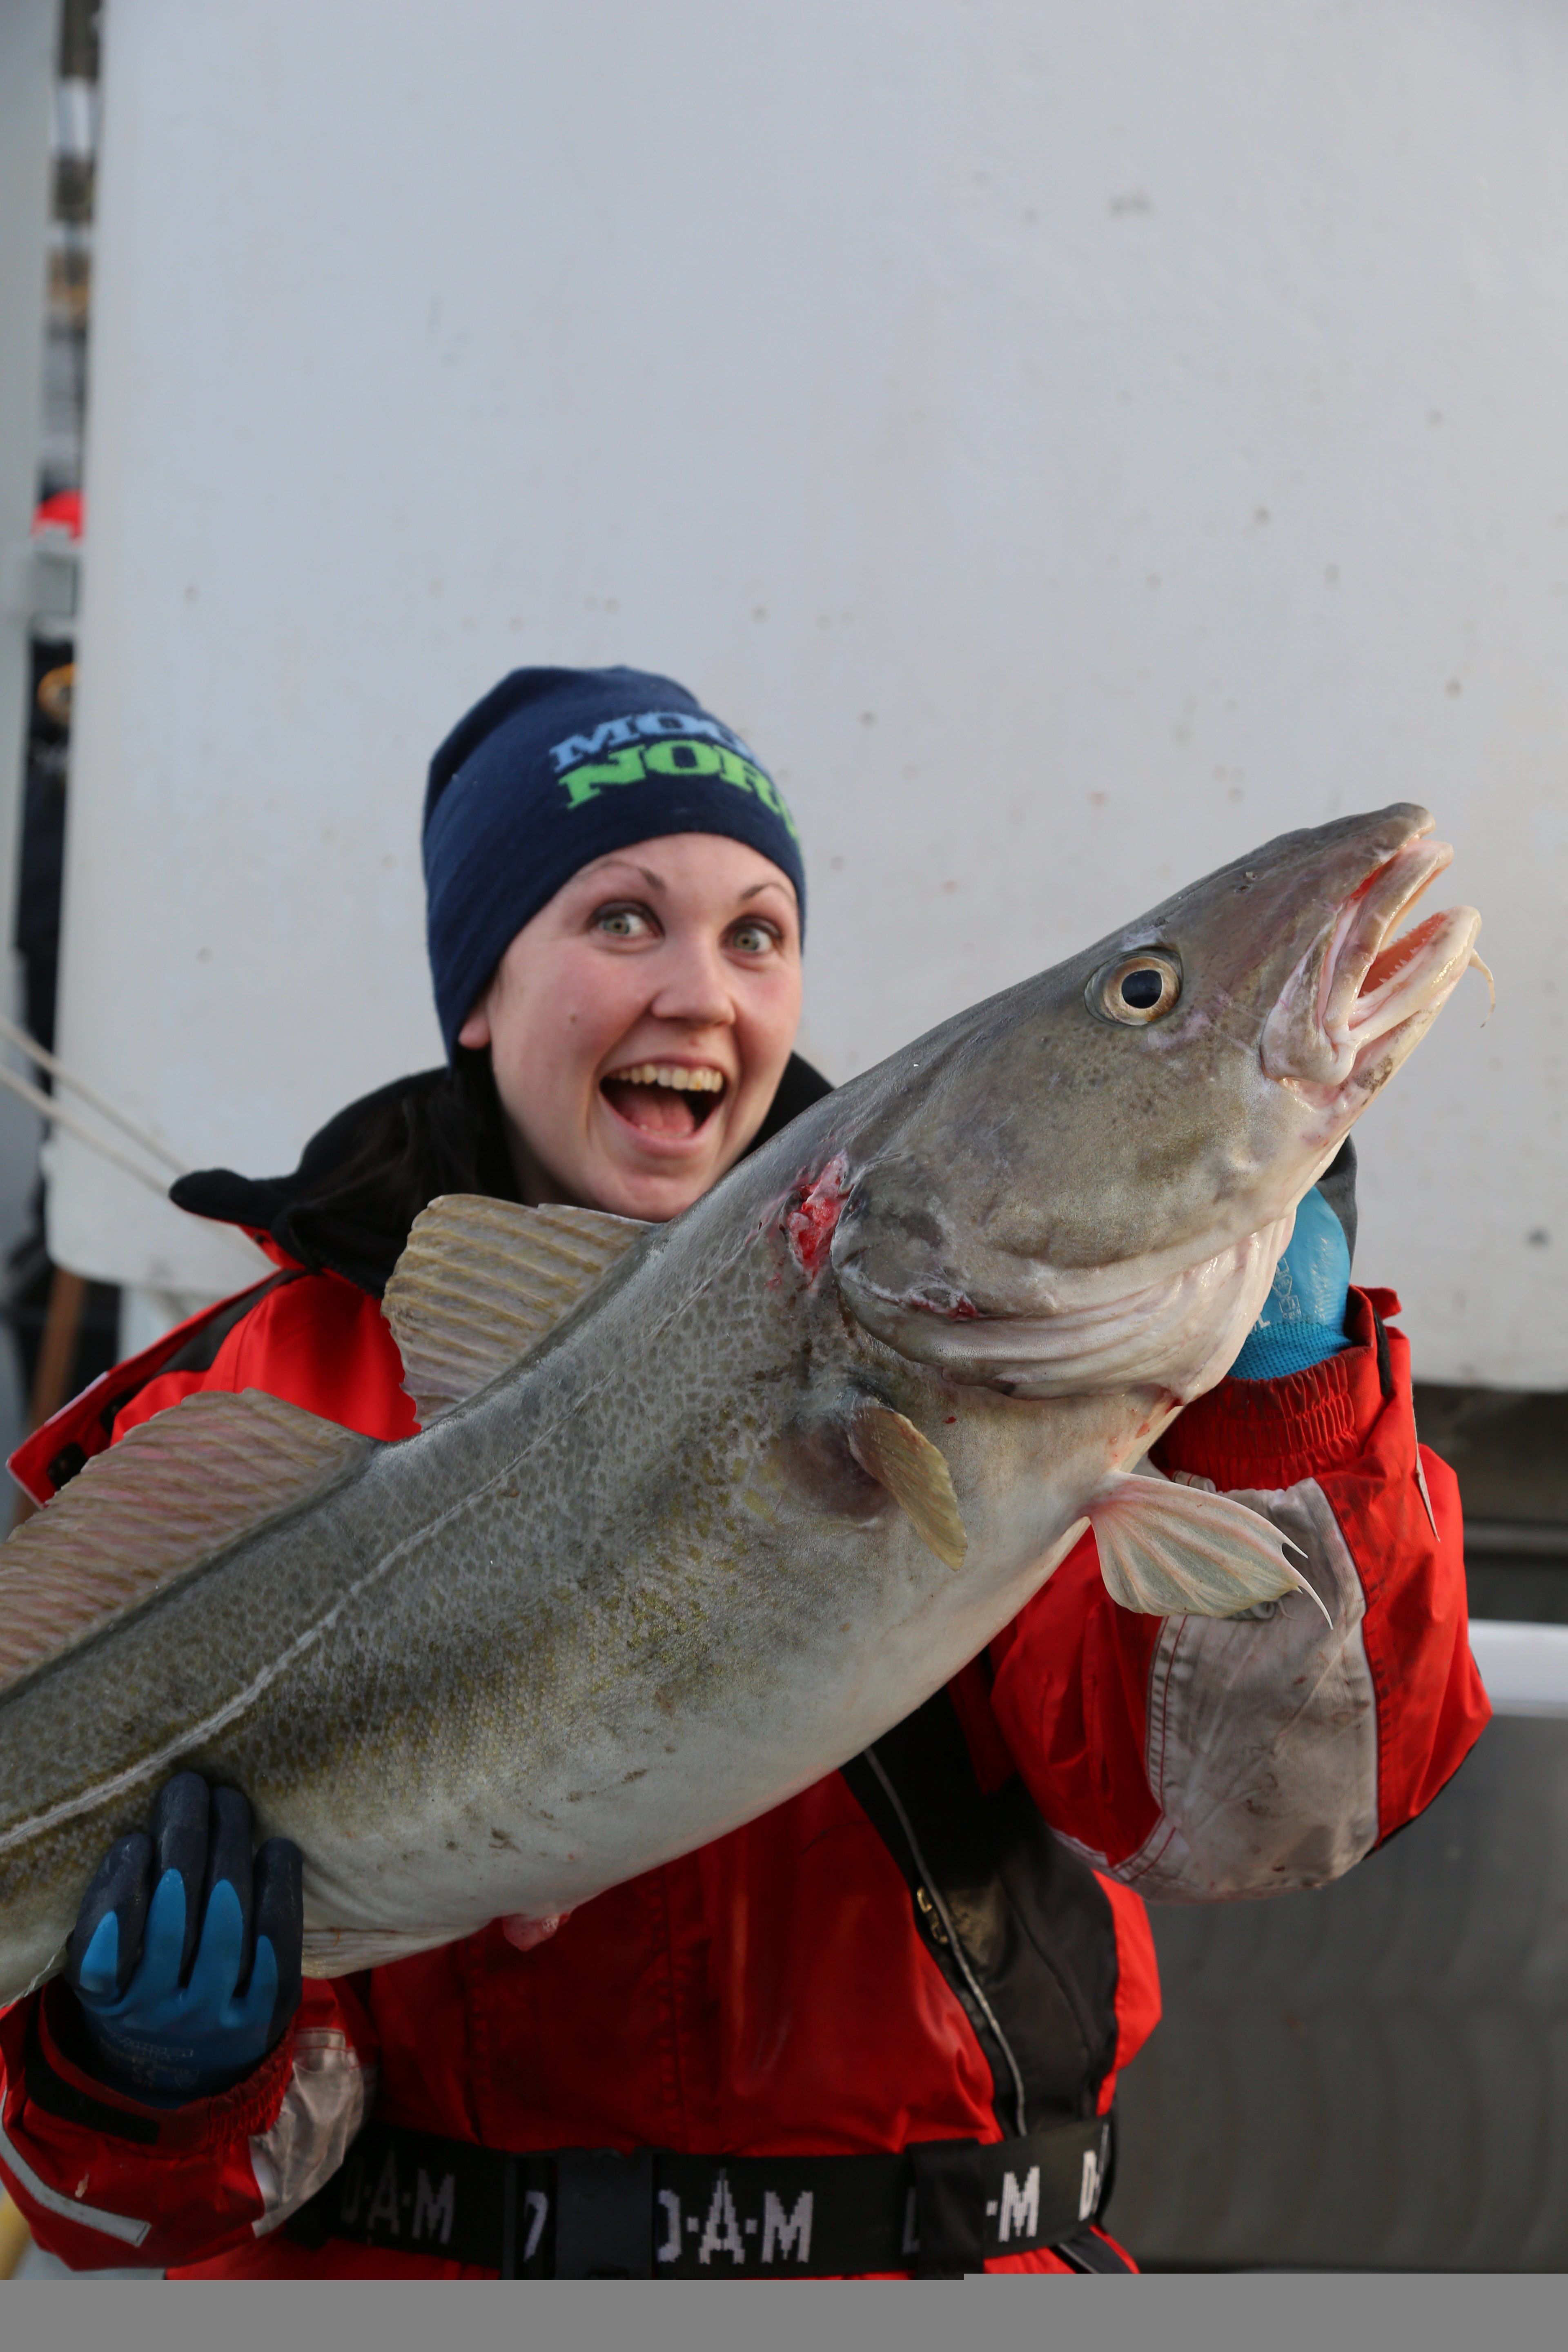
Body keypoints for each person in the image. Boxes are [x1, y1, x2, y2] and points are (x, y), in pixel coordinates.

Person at [0, 666, 1489, 2277]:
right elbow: (120, 2217)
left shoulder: (1038, 1378)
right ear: (483, 992)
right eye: (621, 920)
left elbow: (1248, 1823)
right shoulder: (248, 1389)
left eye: (757, 931)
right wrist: (143, 2082)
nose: (700, 993)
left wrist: (1284, 1416)